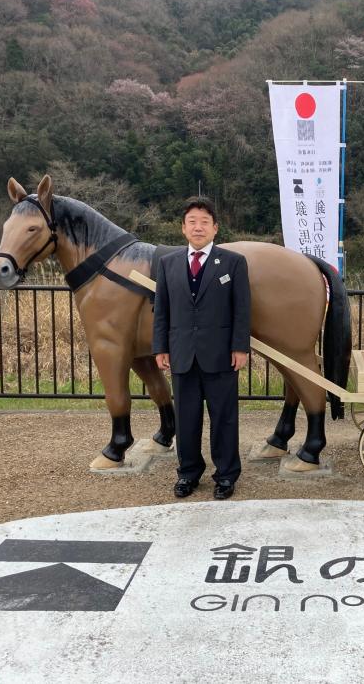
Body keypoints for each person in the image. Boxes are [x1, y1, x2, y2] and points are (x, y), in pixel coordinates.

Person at [153, 197, 250, 500]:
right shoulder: (168, 264)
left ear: (215, 228)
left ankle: (226, 476)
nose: (198, 227)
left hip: (221, 354)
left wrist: (240, 347)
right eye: (192, 221)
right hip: (182, 353)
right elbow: (162, 311)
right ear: (183, 229)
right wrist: (161, 347)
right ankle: (188, 473)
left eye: (204, 222)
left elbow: (241, 309)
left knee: (224, 417)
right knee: (186, 418)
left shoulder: (233, 262)